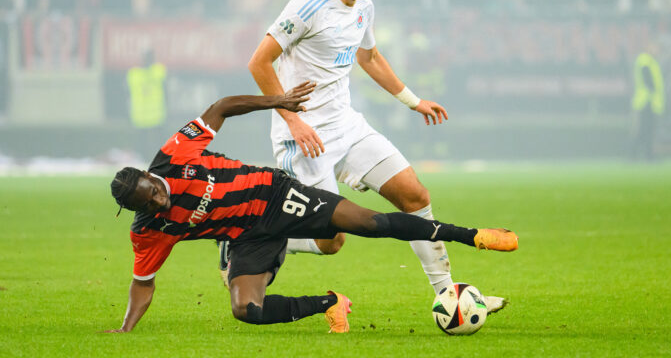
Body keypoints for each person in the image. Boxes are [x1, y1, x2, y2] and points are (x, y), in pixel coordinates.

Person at [104, 82, 518, 333]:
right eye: (152, 203)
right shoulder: (148, 230)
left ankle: (473, 235)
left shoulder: (174, 154)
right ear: (137, 209)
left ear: (149, 173)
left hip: (274, 195)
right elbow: (143, 283)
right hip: (246, 237)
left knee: (368, 223)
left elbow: (222, 107)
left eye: (156, 189)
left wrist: (277, 101)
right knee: (246, 311)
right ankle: (330, 302)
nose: (162, 198)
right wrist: (125, 329)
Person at [244, 0, 505, 309]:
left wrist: (413, 101)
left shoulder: (364, 7)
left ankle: (449, 294)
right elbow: (258, 62)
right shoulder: (307, 5)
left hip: (347, 126)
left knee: (415, 195)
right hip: (305, 137)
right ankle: (254, 233)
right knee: (331, 241)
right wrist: (292, 121)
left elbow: (369, 58)